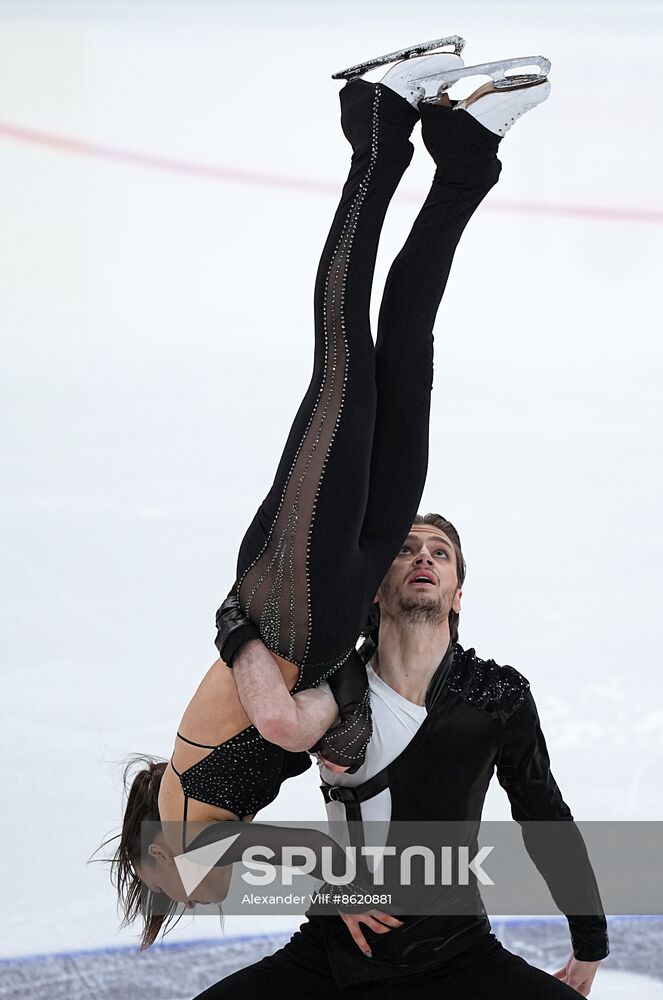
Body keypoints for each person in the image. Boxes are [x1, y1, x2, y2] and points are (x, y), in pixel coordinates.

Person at [106, 39, 552, 949]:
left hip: (286, 585)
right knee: (409, 359)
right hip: (339, 591)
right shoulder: (219, 802)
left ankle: (374, 122)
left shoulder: (192, 814)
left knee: (344, 362)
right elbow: (310, 738)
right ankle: (464, 156)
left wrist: (243, 634)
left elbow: (268, 723)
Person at [193, 514, 608, 999]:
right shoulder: (322, 693)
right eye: (406, 549)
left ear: (457, 597)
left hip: (457, 956)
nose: (424, 556)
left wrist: (589, 940)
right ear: (373, 590)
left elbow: (545, 818)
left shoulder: (495, 696)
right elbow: (207, 833)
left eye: (440, 552)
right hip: (333, 957)